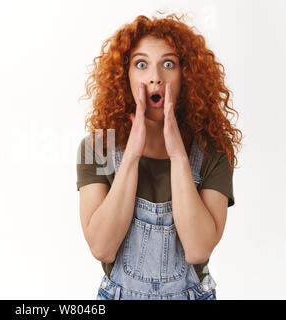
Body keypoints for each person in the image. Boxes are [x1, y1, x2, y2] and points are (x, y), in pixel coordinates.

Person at [76, 13, 243, 300]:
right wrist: (130, 157)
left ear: (186, 74)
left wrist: (178, 156)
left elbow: (198, 248)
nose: (155, 77)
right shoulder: (98, 148)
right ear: (125, 75)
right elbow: (102, 248)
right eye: (141, 64)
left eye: (169, 64)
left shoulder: (214, 150)